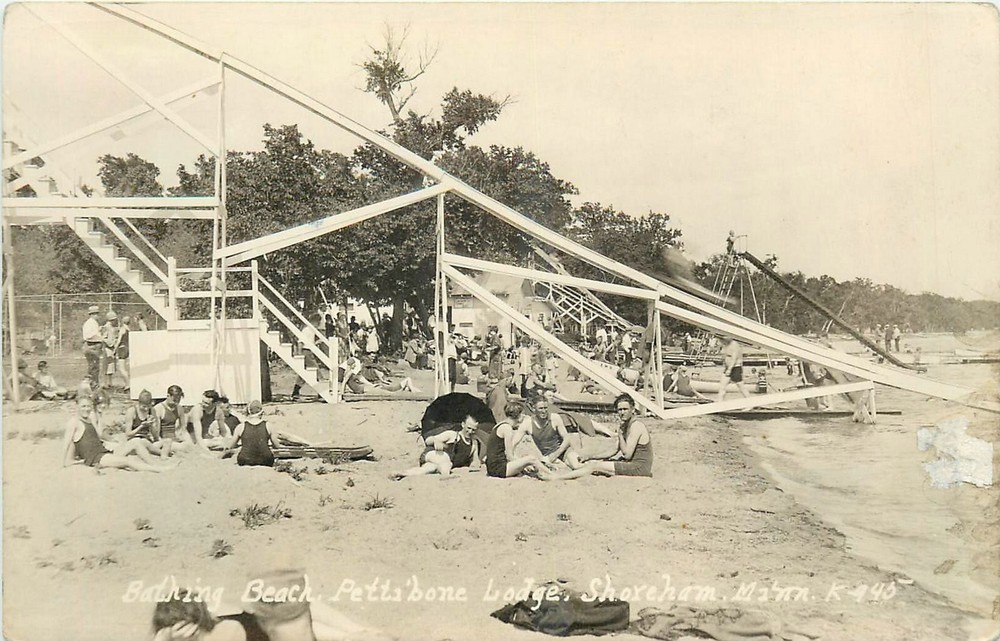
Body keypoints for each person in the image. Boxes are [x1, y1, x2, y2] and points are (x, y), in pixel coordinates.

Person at [546, 394, 653, 479]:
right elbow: (613, 450)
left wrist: (620, 434)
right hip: (632, 464)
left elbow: (627, 455)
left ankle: (558, 478)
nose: (622, 412)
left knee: (594, 466)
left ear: (632, 409)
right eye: (619, 410)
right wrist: (590, 456)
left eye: (625, 409)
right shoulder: (626, 425)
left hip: (639, 467)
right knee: (595, 463)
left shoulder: (636, 426)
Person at [61, 395, 173, 472]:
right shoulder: (74, 422)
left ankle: (154, 464)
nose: (87, 409)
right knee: (128, 461)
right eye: (83, 406)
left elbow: (96, 437)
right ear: (77, 407)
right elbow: (67, 443)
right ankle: (159, 469)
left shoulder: (90, 419)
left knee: (136, 442)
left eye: (89, 406)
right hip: (97, 458)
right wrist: (63, 463)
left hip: (103, 452)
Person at [391, 415, 480, 480]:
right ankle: (446, 476)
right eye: (468, 428)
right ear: (463, 424)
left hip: (441, 464)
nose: (470, 431)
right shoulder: (452, 435)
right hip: (434, 454)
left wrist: (475, 464)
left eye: (473, 429)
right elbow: (428, 440)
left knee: (428, 469)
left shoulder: (474, 443)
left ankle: (401, 473)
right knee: (445, 460)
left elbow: (475, 460)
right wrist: (436, 441)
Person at [485, 402, 551, 479]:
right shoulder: (507, 428)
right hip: (499, 469)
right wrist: (523, 465)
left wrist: (522, 464)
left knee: (526, 460)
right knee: (531, 458)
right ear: (519, 416)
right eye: (522, 414)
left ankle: (547, 472)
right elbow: (509, 456)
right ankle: (551, 474)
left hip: (492, 467)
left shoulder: (500, 425)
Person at [525, 396, 584, 469]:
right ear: (534, 409)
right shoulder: (528, 423)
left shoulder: (555, 418)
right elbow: (514, 442)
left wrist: (554, 455)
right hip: (547, 455)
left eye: (545, 408)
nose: (544, 411)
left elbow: (567, 439)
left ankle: (597, 467)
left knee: (576, 466)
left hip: (563, 451)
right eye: (540, 408)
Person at [229, 400, 277, 467]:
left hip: (245, 459)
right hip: (265, 459)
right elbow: (276, 445)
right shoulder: (268, 425)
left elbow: (231, 446)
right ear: (262, 412)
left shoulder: (241, 426)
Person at [154, 385, 186, 459]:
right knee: (180, 448)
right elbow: (156, 433)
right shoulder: (159, 408)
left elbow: (183, 427)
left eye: (178, 401)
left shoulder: (179, 408)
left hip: (174, 438)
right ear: (168, 396)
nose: (176, 403)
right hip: (163, 440)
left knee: (188, 445)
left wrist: (180, 436)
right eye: (174, 400)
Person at [717, 336, 750, 402]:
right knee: (722, 386)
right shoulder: (726, 345)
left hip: (735, 368)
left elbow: (734, 359)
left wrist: (729, 369)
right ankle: (719, 403)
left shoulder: (734, 345)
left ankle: (750, 402)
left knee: (740, 386)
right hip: (727, 368)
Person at [82, 305, 104, 383]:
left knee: (95, 367)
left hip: (94, 346)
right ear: (92, 314)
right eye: (95, 314)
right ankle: (93, 385)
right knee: (93, 367)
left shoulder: (94, 323)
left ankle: (94, 384)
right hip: (91, 346)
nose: (97, 315)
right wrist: (100, 337)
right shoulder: (90, 323)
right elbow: (88, 336)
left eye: (97, 313)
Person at [101, 311, 121, 389]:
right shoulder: (106, 327)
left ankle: (110, 382)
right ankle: (105, 382)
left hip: (113, 347)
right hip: (108, 347)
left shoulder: (115, 326)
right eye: (112, 320)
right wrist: (110, 343)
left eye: (114, 320)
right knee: (106, 365)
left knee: (111, 366)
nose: (114, 321)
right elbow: (103, 338)